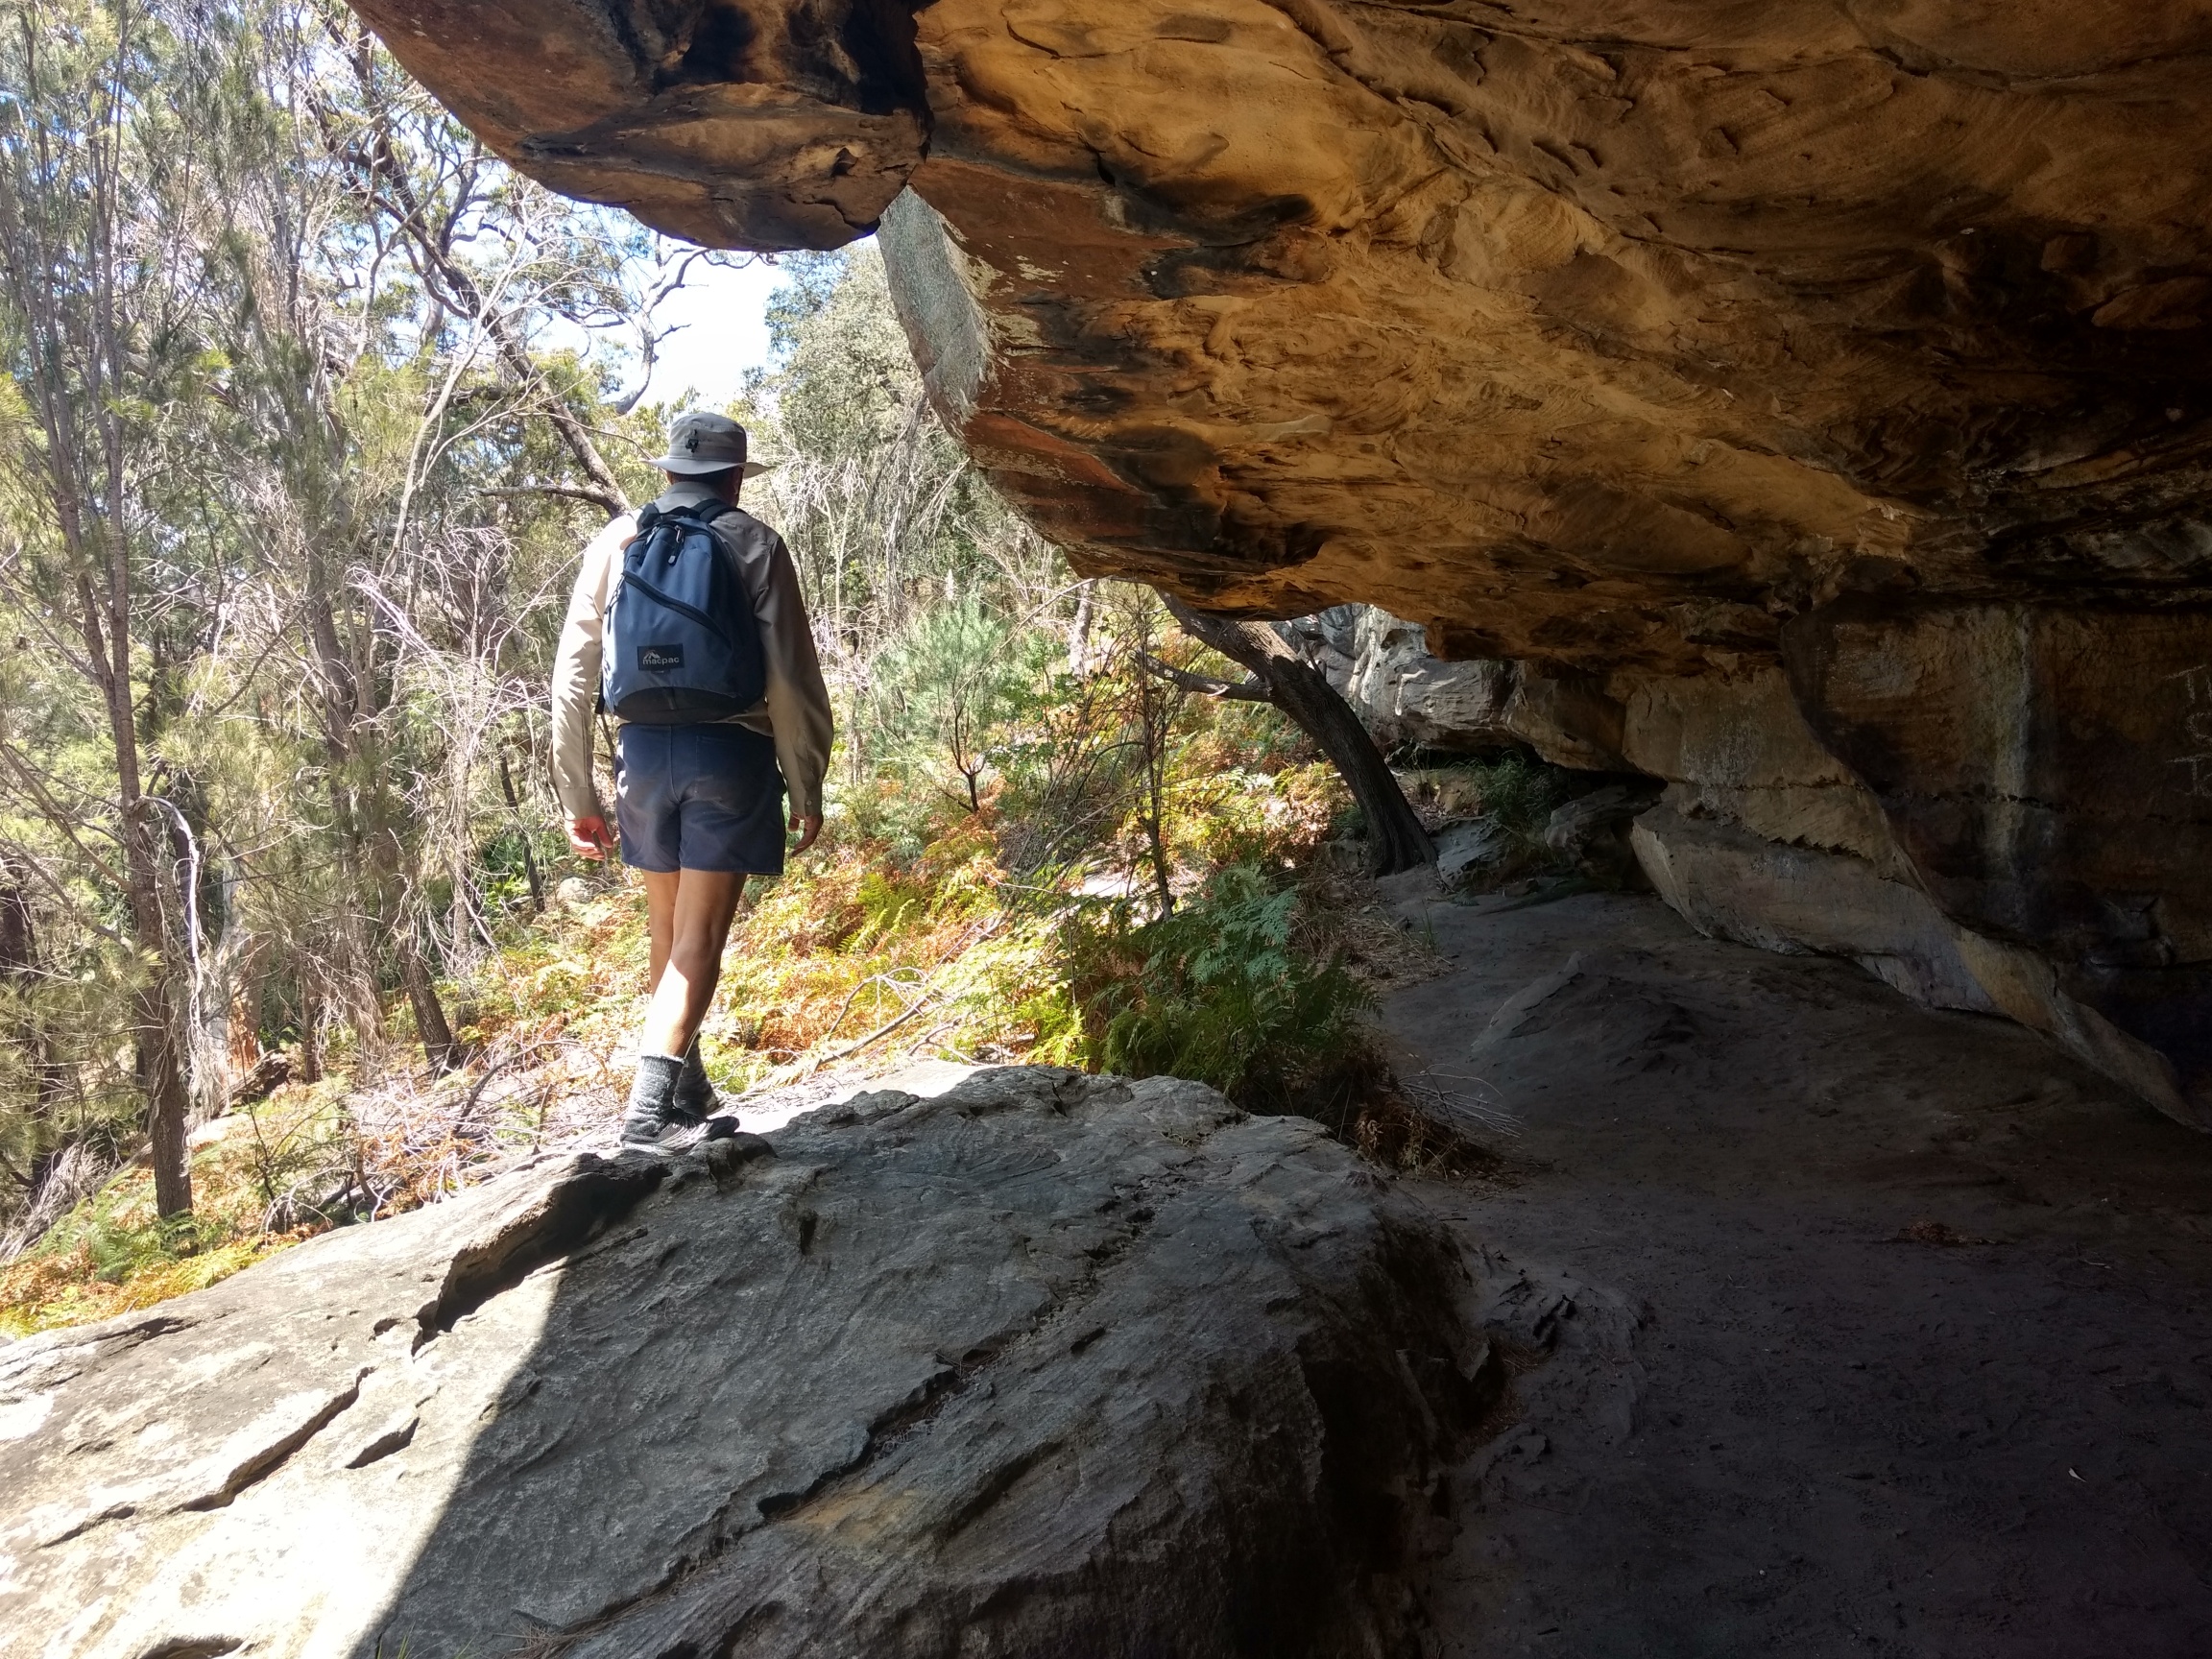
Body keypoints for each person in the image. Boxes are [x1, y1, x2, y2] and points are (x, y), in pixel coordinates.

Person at [550, 411, 833, 1150]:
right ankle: (647, 1118)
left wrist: (577, 794)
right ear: (735, 477)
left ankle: (688, 1092)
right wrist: (806, 783)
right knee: (699, 937)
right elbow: (790, 679)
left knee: (668, 930)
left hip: (641, 756)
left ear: (671, 469)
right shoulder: (753, 541)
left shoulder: (617, 540)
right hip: (729, 756)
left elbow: (574, 675)